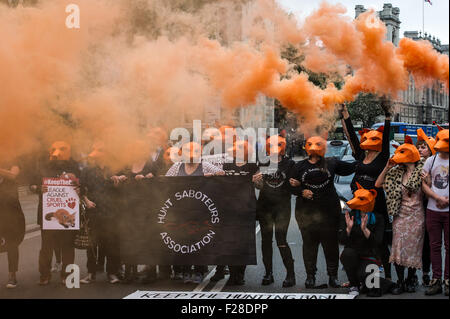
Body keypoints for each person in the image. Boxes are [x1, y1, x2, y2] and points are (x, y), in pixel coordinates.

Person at [290, 135, 354, 289]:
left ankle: (333, 277)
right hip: (306, 214)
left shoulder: (332, 162)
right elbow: (288, 186)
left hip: (329, 212)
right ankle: (310, 276)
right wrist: (301, 191)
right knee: (309, 246)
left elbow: (354, 167)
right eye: (311, 144)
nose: (314, 148)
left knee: (331, 246)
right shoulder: (299, 167)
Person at [339, 101, 393, 281]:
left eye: (373, 138)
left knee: (380, 241)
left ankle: (388, 275)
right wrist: (345, 114)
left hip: (376, 205)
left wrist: (387, 117)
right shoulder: (361, 156)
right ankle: (358, 275)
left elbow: (385, 139)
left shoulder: (383, 156)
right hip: (358, 204)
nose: (368, 140)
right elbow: (352, 138)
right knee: (357, 237)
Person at [166, 141, 224, 284]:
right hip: (181, 212)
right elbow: (164, 183)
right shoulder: (176, 167)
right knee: (183, 241)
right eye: (188, 151)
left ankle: (199, 271)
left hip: (201, 212)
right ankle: (185, 270)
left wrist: (216, 175)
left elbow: (223, 176)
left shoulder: (205, 166)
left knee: (198, 241)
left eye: (195, 151)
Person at [375, 136, 425, 294]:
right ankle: (400, 281)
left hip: (417, 215)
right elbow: (378, 184)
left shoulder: (423, 170)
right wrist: (387, 166)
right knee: (398, 247)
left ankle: (411, 280)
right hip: (400, 215)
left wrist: (428, 179)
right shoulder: (396, 172)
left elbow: (430, 189)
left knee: (413, 249)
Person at [30, 141, 80, 286]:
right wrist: (38, 188)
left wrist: (79, 189)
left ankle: (67, 275)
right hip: (48, 214)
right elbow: (31, 185)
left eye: (62, 149)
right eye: (54, 149)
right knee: (46, 247)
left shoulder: (74, 166)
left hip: (68, 214)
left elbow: (83, 185)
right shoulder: (42, 166)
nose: (57, 152)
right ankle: (44, 275)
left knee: (68, 246)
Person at [210, 140, 258, 286]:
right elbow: (221, 185)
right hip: (229, 208)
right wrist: (215, 176)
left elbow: (259, 185)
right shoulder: (227, 165)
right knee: (230, 240)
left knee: (243, 242)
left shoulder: (252, 166)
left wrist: (258, 180)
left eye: (239, 148)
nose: (236, 150)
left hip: (246, 208)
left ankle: (239, 274)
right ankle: (232, 273)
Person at [253, 135, 296, 288]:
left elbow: (293, 188)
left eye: (277, 145)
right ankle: (268, 273)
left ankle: (290, 275)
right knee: (265, 241)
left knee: (281, 240)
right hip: (265, 206)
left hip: (282, 207)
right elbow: (259, 186)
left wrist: (296, 184)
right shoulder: (264, 162)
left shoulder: (289, 164)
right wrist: (257, 182)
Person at [80, 142, 123, 285]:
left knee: (111, 244)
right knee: (91, 245)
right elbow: (80, 189)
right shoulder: (87, 170)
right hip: (93, 212)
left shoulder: (113, 169)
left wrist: (118, 183)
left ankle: (112, 273)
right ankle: (91, 273)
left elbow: (119, 191)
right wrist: (86, 201)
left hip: (111, 212)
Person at [339, 183, 391, 297]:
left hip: (370, 255)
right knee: (347, 254)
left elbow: (377, 242)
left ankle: (389, 285)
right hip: (354, 254)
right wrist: (348, 228)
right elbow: (342, 241)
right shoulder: (350, 216)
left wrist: (364, 229)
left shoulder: (378, 218)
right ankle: (354, 285)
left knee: (370, 286)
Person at [421, 126, 449, 296]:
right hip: (432, 209)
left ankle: (447, 279)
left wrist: (446, 200)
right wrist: (437, 198)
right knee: (434, 246)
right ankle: (436, 279)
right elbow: (423, 184)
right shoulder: (430, 160)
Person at [0, 162, 25, 288]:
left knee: (12, 245)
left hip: (12, 215)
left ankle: (12, 276)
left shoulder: (12, 161)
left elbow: (13, 175)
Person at [416, 128, 436, 286]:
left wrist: (428, 180)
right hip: (414, 207)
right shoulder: (412, 163)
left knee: (428, 242)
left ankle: (426, 272)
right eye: (418, 147)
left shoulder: (434, 165)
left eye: (423, 147)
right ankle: (411, 273)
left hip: (428, 205)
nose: (420, 149)